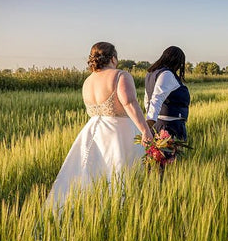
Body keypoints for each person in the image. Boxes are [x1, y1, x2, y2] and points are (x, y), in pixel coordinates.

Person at [47, 42, 153, 209]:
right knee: (120, 174)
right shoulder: (120, 75)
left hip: (92, 131)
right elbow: (130, 103)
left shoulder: (88, 81)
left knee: (88, 174)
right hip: (118, 132)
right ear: (113, 58)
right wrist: (145, 131)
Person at [144, 46, 190, 141]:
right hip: (169, 127)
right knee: (168, 156)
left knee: (156, 156)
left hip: (159, 125)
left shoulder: (151, 73)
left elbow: (147, 99)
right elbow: (157, 98)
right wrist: (148, 125)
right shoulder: (167, 74)